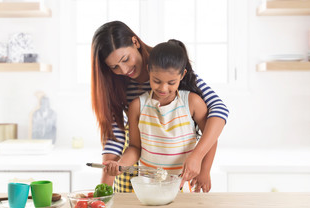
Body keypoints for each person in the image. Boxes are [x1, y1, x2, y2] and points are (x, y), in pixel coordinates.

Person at [91, 21, 229, 193]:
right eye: (114, 67)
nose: (124, 69)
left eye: (125, 59)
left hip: (180, 174)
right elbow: (116, 137)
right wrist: (105, 189)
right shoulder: (121, 90)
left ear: (135, 42)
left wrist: (199, 160)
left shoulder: (168, 65)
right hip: (137, 167)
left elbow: (219, 110)